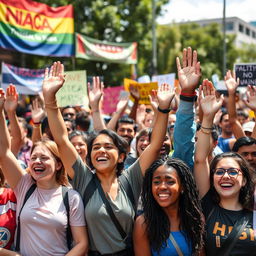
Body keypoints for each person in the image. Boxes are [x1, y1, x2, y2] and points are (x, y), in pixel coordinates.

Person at [42, 61, 175, 255]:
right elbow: (62, 140)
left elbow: (155, 146)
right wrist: (50, 99)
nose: (101, 151)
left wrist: (163, 110)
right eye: (95, 147)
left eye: (108, 147)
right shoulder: (83, 177)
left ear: (122, 156)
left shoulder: (131, 178)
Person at [0, 88, 88, 256]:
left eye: (44, 158)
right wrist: (2, 111)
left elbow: (81, 243)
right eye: (34, 158)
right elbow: (4, 153)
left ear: (59, 164)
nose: (37, 162)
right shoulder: (24, 185)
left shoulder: (71, 197)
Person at [194, 79, 256, 255]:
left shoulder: (254, 209)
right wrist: (207, 117)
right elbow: (200, 159)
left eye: (232, 171)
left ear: (244, 180)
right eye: (220, 171)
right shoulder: (207, 206)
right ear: (211, 178)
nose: (226, 176)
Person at [133, 158, 204, 256]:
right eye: (156, 182)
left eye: (170, 182)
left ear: (182, 187)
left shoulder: (195, 218)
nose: (162, 187)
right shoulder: (143, 224)